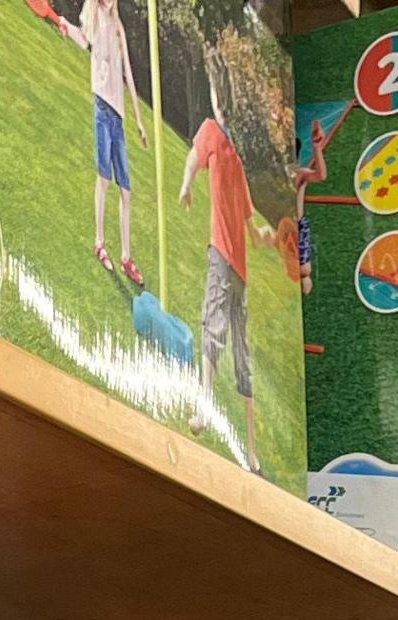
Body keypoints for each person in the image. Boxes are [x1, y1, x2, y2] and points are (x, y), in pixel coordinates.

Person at [179, 70, 258, 450]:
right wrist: (186, 184)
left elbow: (249, 219)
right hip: (233, 262)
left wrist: (265, 236)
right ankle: (217, 419)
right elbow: (194, 159)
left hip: (229, 259)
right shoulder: (220, 141)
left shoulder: (228, 150)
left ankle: (213, 416)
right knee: (226, 337)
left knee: (220, 333)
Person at [66, 0, 140, 282]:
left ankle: (126, 257)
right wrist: (65, 26)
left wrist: (140, 121)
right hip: (102, 106)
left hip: (118, 115)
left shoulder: (118, 27)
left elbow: (129, 76)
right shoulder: (94, 16)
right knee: (104, 179)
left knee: (126, 190)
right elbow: (85, 41)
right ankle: (100, 242)